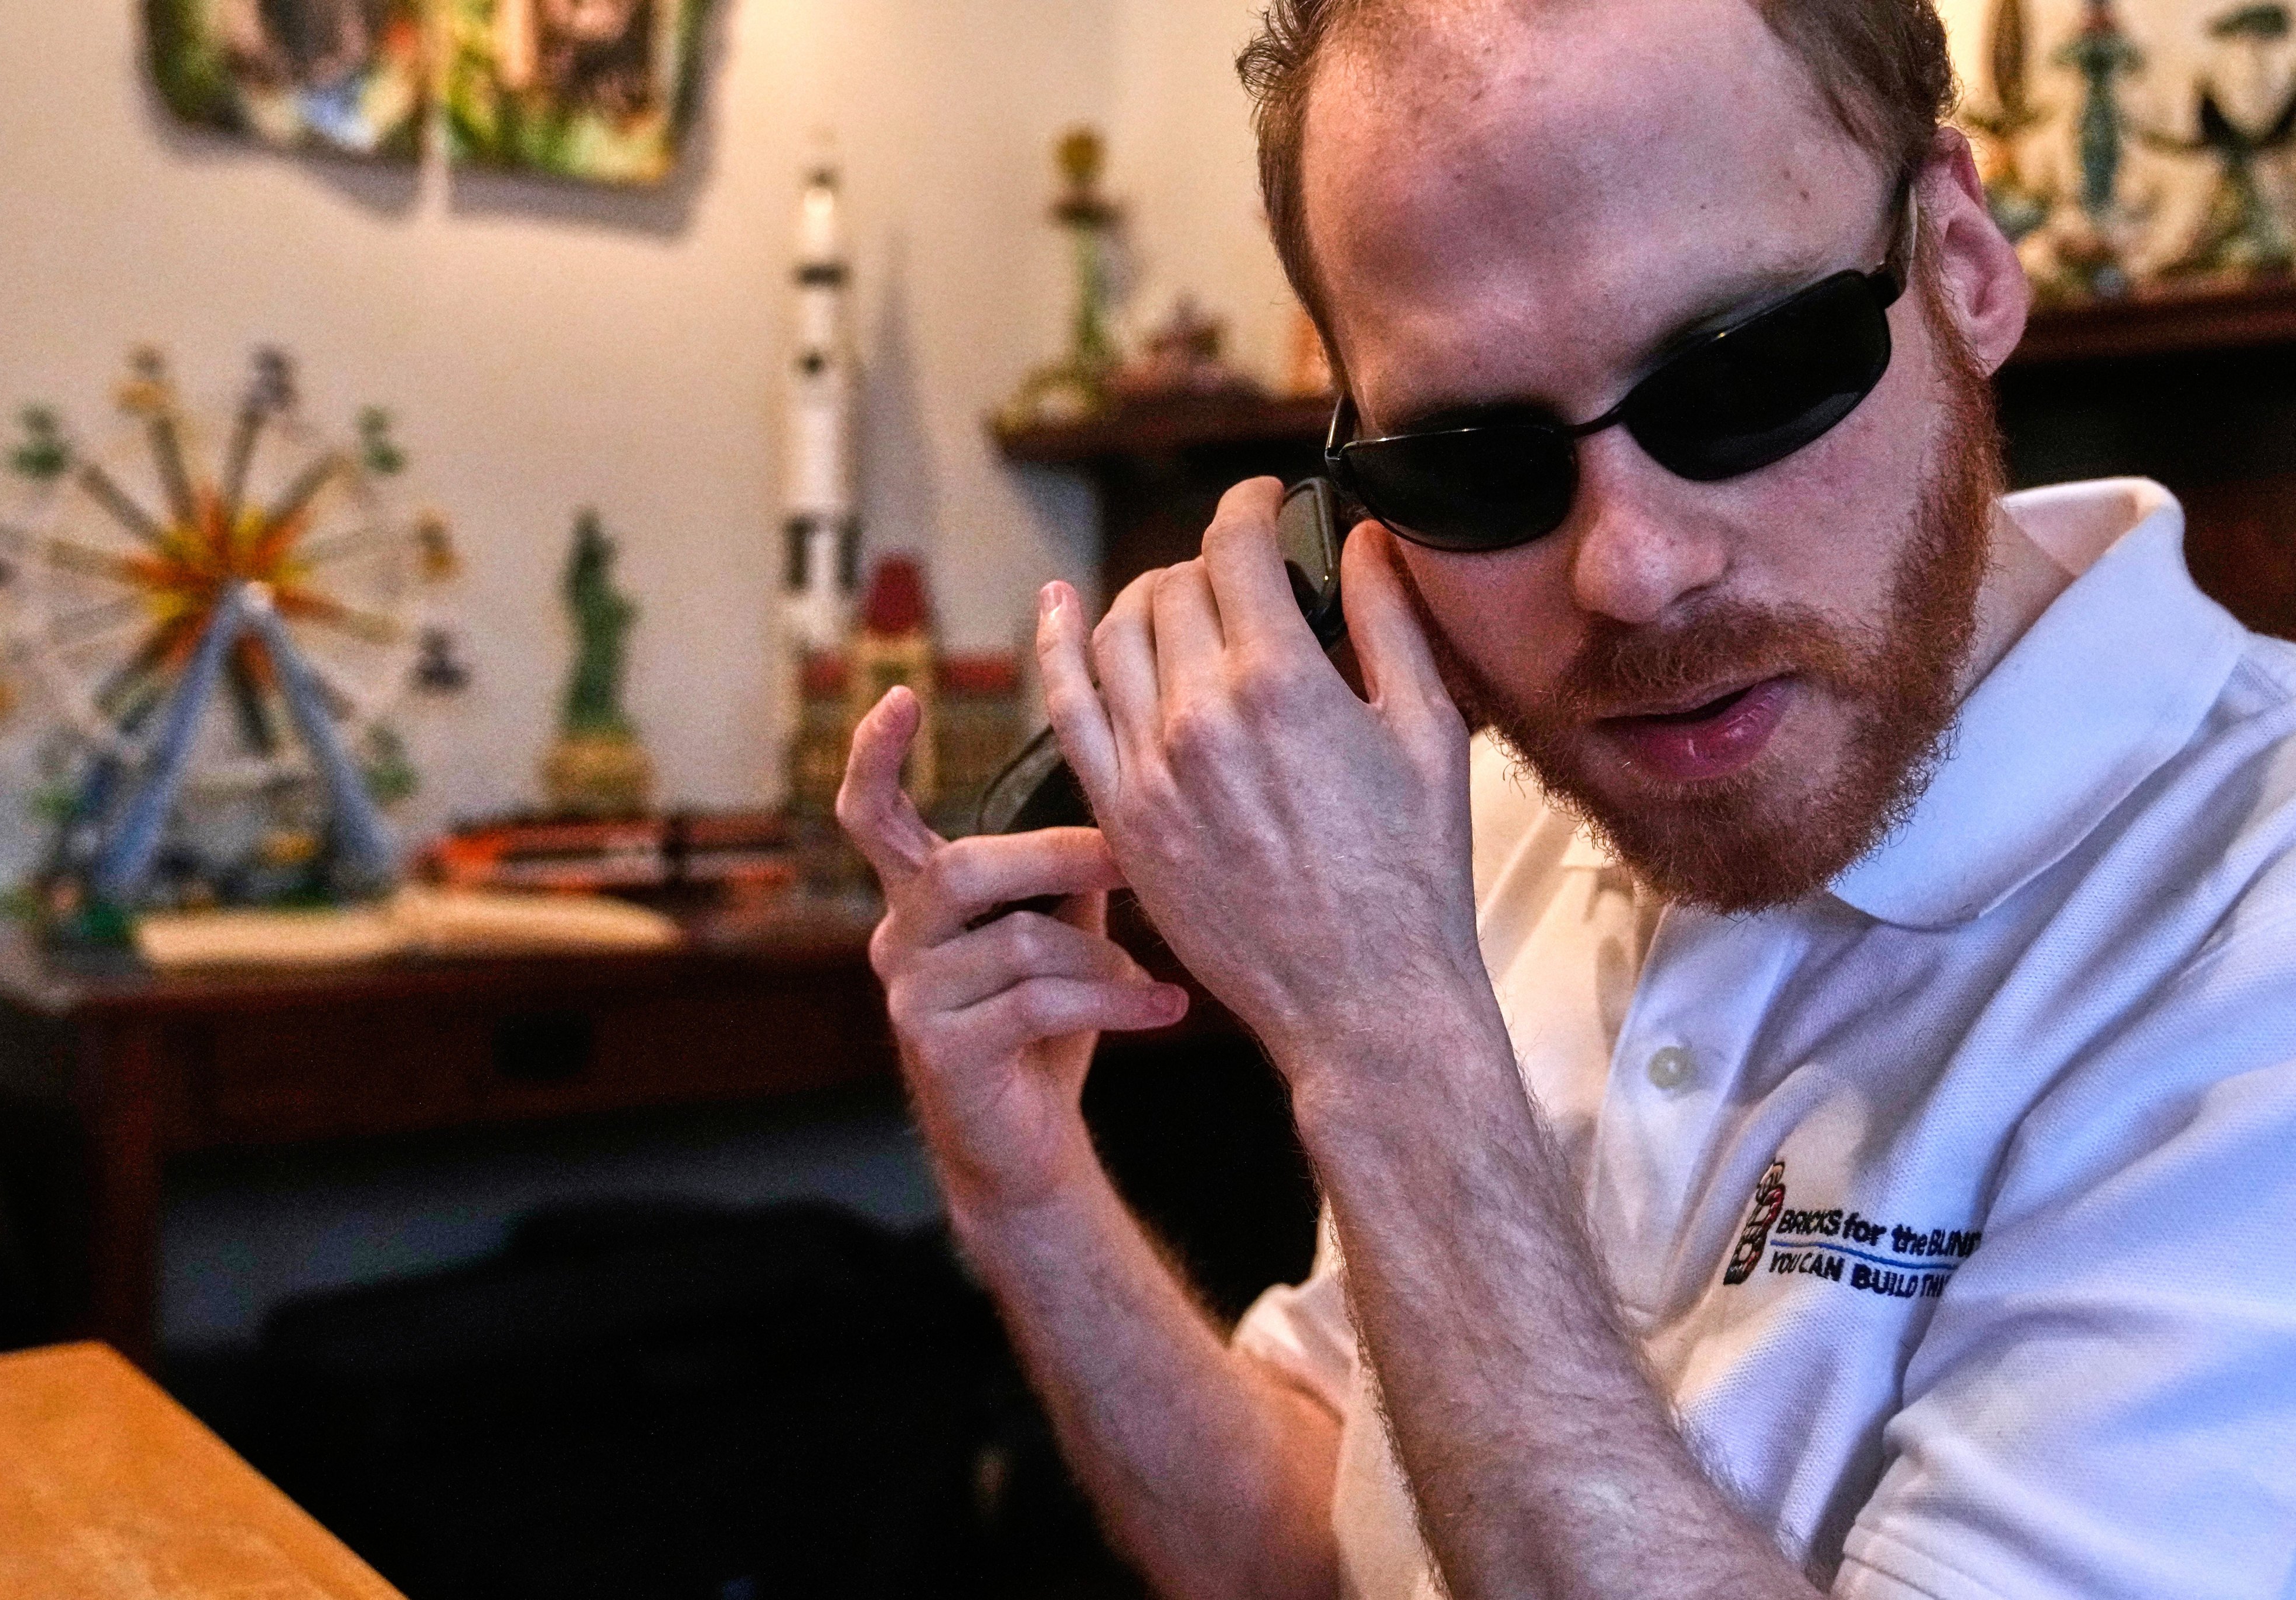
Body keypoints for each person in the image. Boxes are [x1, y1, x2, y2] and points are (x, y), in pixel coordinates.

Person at [837, 1, 2296, 1596]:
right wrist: (1028, 1189)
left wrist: (1386, 1036)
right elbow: (1334, 1536)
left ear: (1960, 261)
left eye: (1745, 378)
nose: (1634, 568)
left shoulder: (2246, 912)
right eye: (1475, 462)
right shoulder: (1511, 814)